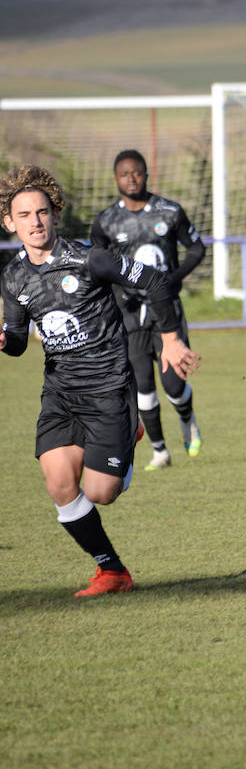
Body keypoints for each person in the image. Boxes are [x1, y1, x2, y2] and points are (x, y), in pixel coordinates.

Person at [0, 165, 200, 597]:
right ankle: (112, 571)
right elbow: (18, 342)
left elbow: (154, 280)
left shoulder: (91, 258)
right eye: (24, 215)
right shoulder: (14, 277)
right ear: (9, 223)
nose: (34, 222)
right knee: (58, 483)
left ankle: (131, 431)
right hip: (60, 394)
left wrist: (169, 339)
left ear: (55, 215)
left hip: (108, 390)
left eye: (42, 212)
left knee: (101, 492)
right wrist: (4, 339)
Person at [91, 150, 204, 470]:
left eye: (137, 172)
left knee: (172, 384)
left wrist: (173, 280)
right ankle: (160, 451)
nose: (131, 178)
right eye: (124, 174)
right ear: (115, 178)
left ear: (146, 174)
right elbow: (96, 267)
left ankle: (187, 418)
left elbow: (197, 248)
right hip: (129, 314)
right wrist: (115, 294)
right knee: (142, 384)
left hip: (166, 311)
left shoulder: (169, 212)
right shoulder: (105, 222)